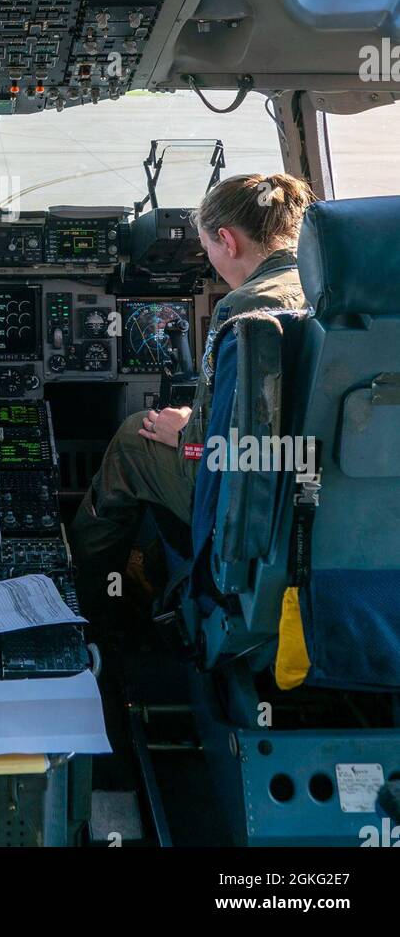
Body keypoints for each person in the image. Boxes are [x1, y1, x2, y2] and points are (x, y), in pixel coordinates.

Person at [69, 172, 313, 628]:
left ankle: (96, 606)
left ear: (227, 239)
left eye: (207, 248)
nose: (210, 259)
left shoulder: (244, 308)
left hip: (255, 496)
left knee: (131, 436)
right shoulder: (338, 290)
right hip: (325, 490)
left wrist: (184, 427)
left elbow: (207, 445)